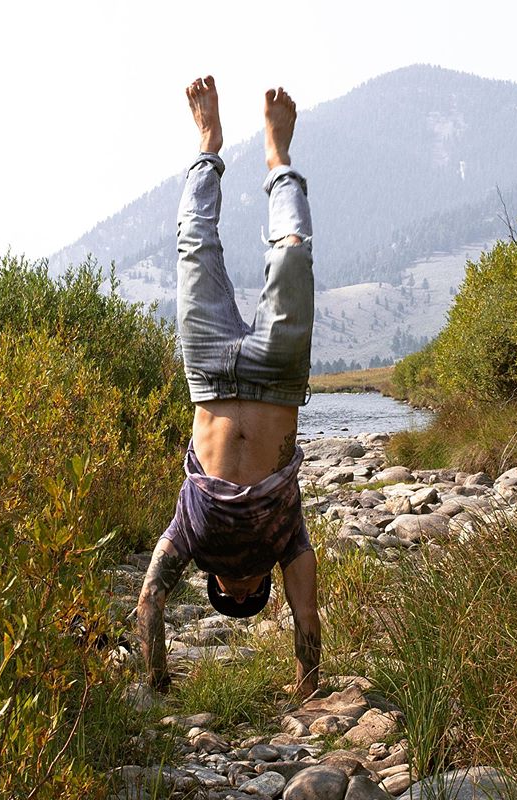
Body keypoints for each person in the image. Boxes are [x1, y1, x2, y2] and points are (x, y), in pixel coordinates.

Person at [137, 76, 320, 699]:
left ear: (212, 582)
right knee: (292, 253)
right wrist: (308, 684)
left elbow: (152, 596)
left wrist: (157, 677)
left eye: (228, 597)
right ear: (264, 582)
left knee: (191, 245)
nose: (240, 591)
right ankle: (278, 159)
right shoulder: (284, 536)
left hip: (209, 374)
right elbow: (306, 617)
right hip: (276, 379)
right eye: (251, 597)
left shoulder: (191, 533)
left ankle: (207, 145)